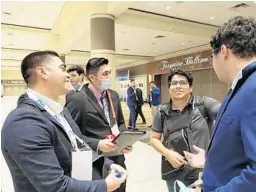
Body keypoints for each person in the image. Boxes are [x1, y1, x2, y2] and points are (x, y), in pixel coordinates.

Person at [1, 51, 127, 192]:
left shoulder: (60, 111)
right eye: (62, 68)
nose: (68, 75)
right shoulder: (24, 122)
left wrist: (106, 164)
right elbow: (55, 187)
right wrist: (105, 186)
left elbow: (79, 145)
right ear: (43, 72)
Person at [185, 16, 256, 192]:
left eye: (212, 56)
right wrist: (210, 168)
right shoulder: (240, 87)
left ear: (223, 51)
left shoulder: (253, 89)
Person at [65, 57, 132, 192]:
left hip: (118, 158)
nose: (109, 77)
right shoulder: (78, 99)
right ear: (93, 77)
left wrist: (124, 140)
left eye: (110, 73)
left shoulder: (113, 95)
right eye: (105, 74)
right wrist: (97, 144)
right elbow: (69, 135)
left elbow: (119, 122)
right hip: (94, 163)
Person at [150, 69, 221, 192]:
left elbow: (226, 113)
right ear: (169, 88)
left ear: (190, 87)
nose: (178, 86)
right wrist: (168, 153)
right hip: (173, 170)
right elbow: (154, 138)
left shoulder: (203, 104)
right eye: (174, 83)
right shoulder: (162, 111)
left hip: (201, 170)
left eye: (182, 82)